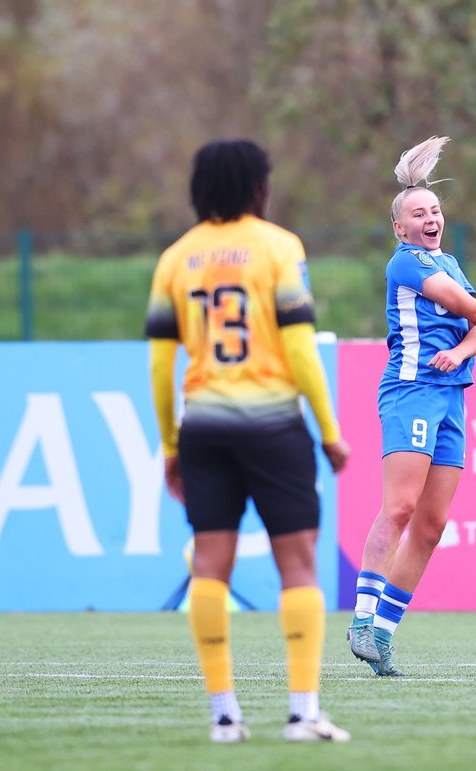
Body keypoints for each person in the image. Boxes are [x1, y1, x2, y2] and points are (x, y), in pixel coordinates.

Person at [146, 139, 351, 743]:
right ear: (257, 186)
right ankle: (303, 712)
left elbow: (161, 368)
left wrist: (171, 446)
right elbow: (299, 348)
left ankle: (225, 716)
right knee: (298, 564)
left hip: (204, 427)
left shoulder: (175, 259)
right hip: (273, 425)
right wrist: (330, 431)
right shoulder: (279, 247)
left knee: (210, 564)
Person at [347, 137, 476, 676]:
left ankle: (383, 638)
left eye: (435, 210)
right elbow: (472, 309)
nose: (430, 217)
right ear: (399, 227)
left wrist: (460, 350)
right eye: (418, 213)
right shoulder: (406, 265)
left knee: (432, 525)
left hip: (449, 399)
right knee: (399, 508)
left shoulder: (447, 261)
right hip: (410, 391)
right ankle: (361, 619)